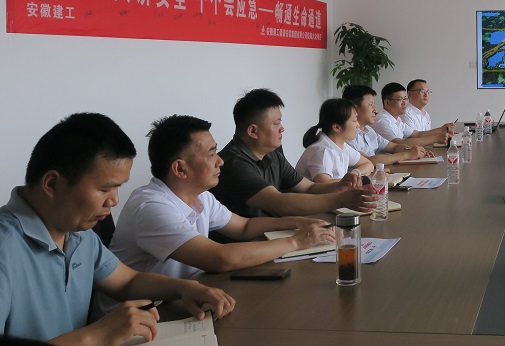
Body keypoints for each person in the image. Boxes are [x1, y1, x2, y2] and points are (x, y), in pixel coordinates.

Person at [0, 113, 235, 345]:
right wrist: (97, 335)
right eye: (105, 189)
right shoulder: (5, 247)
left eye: (118, 188)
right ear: (52, 184)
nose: (114, 201)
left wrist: (184, 288)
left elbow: (127, 281)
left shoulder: (79, 234)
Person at [109, 115, 336, 289]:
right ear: (180, 169)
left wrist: (298, 222)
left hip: (184, 297)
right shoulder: (151, 207)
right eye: (211, 154)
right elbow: (219, 258)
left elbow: (245, 226)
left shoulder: (201, 196)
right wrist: (296, 241)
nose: (220, 161)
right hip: (141, 318)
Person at [210, 89, 376, 218]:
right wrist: (342, 199)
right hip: (247, 244)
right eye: (276, 123)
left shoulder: (273, 154)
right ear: (253, 131)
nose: (282, 128)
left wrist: (340, 185)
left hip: (273, 232)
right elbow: (279, 203)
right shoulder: (234, 164)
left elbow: (309, 187)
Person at [342, 85, 436, 162]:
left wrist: (415, 151)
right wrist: (407, 154)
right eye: (370, 105)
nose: (375, 110)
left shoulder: (369, 130)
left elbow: (394, 147)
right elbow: (368, 161)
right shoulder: (347, 135)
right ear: (354, 108)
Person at [296, 99, 374, 182]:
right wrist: (354, 180)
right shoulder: (322, 150)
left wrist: (354, 174)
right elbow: (324, 184)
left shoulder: (342, 145)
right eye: (354, 121)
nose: (357, 125)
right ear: (336, 127)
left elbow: (369, 164)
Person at [372, 82, 449, 147]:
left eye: (405, 98)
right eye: (400, 99)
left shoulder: (397, 120)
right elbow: (398, 144)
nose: (404, 103)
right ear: (387, 103)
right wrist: (436, 139)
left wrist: (442, 130)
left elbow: (417, 134)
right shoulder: (382, 121)